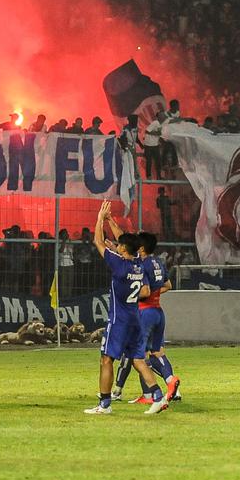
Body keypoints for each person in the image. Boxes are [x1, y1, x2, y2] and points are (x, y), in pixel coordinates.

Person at [84, 201, 167, 415]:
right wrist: (113, 221)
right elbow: (125, 241)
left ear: (123, 250)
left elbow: (98, 241)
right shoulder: (140, 263)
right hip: (135, 319)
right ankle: (158, 396)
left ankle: (104, 404)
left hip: (118, 320)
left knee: (106, 359)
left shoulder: (119, 265)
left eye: (119, 245)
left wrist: (100, 218)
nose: (117, 245)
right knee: (139, 359)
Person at [112, 230, 181, 404]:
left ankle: (142, 394)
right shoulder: (157, 262)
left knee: (136, 355)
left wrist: (130, 295)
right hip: (158, 311)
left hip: (144, 313)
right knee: (157, 353)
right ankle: (171, 382)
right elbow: (168, 285)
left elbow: (145, 291)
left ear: (140, 248)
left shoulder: (142, 264)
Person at [143, 110, 165, 179]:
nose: (163, 116)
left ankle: (159, 176)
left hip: (155, 145)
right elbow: (147, 130)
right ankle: (149, 176)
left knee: (158, 161)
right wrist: (157, 133)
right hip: (149, 145)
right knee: (149, 161)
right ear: (158, 117)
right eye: (161, 115)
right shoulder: (155, 122)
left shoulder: (161, 124)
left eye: (163, 115)